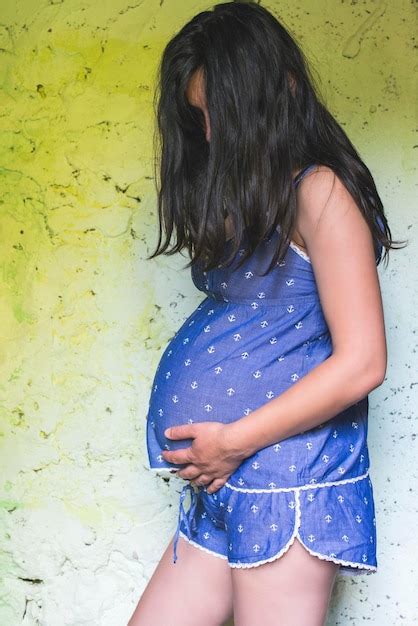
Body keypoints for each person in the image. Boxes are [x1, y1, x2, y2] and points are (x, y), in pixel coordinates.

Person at [128, 3, 400, 625]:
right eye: (200, 118)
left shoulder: (320, 192)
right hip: (225, 482)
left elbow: (362, 362)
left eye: (222, 113)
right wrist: (221, 453)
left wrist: (231, 442)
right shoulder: (251, 194)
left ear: (279, 91)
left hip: (288, 481)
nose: (212, 134)